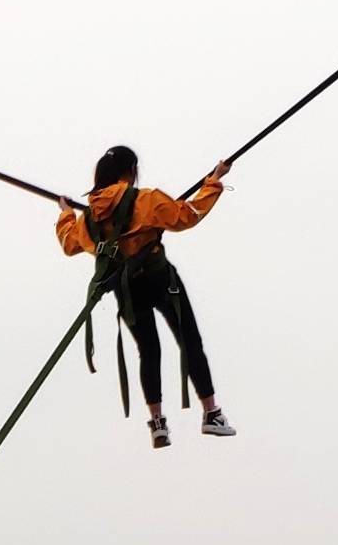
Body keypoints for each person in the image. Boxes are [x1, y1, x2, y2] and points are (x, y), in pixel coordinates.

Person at [56, 145, 235, 450]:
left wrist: (66, 215)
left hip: (129, 290)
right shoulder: (146, 200)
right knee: (189, 342)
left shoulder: (90, 219)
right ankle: (211, 413)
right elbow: (186, 215)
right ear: (131, 171)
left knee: (148, 352)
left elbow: (70, 243)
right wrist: (214, 181)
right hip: (161, 280)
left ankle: (157, 423)